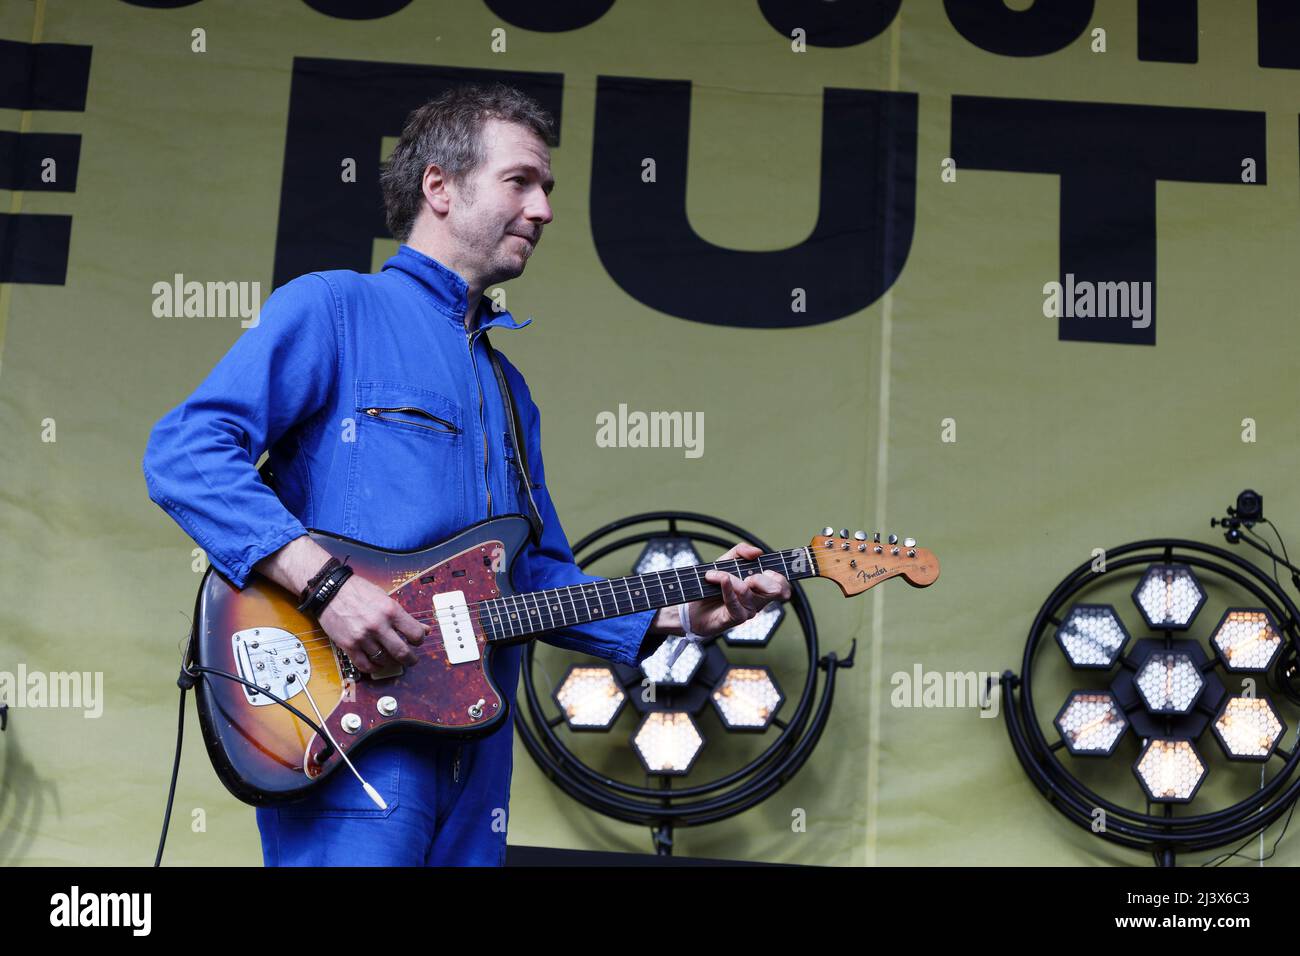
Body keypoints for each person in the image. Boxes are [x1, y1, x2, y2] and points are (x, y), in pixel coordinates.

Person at [142, 83, 791, 866]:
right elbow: (186, 453)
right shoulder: (334, 308)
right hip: (347, 726)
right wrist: (326, 589)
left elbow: (534, 576)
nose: (544, 208)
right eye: (521, 181)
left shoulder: (509, 391)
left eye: (546, 188)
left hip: (474, 746)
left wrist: (683, 616)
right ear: (439, 187)